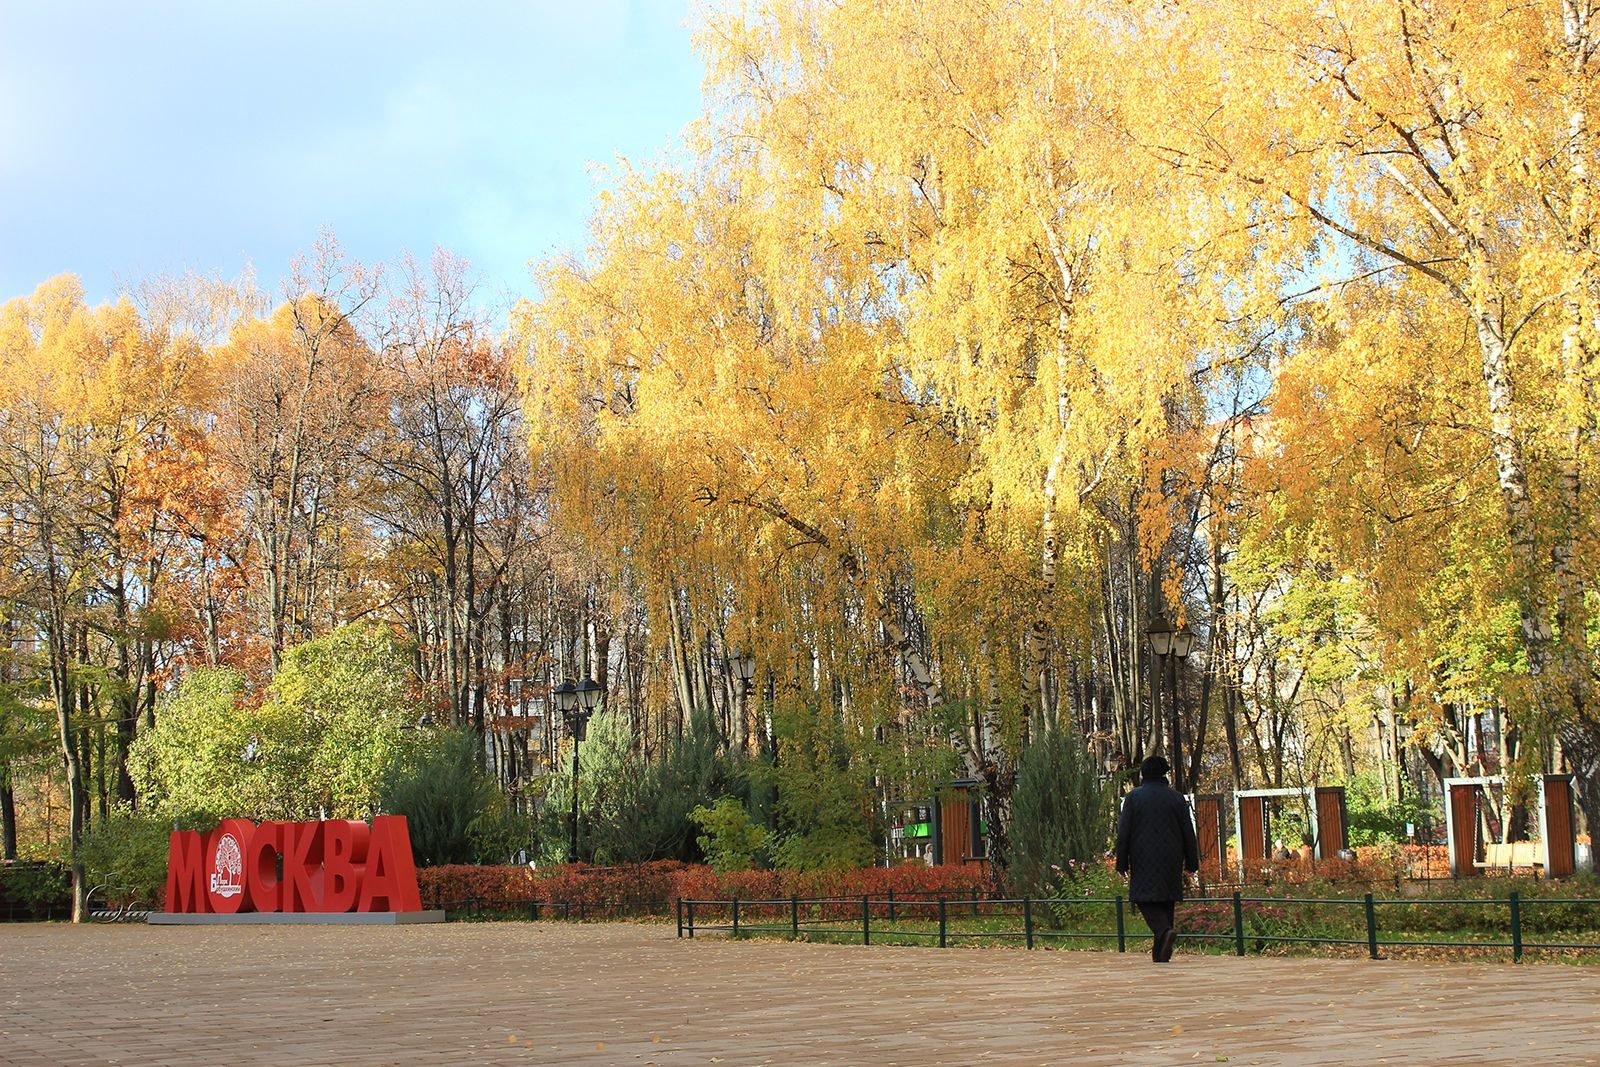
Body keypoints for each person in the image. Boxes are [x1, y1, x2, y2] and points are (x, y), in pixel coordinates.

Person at [1114, 755, 1199, 963]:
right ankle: (1161, 955)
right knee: (1166, 899)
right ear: (1164, 773)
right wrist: (1192, 862)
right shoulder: (1177, 798)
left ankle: (1164, 931)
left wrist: (1121, 862)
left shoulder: (1133, 798)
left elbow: (1124, 832)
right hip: (1172, 856)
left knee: (1143, 898)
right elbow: (1188, 832)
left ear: (1143, 773)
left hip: (1143, 856)